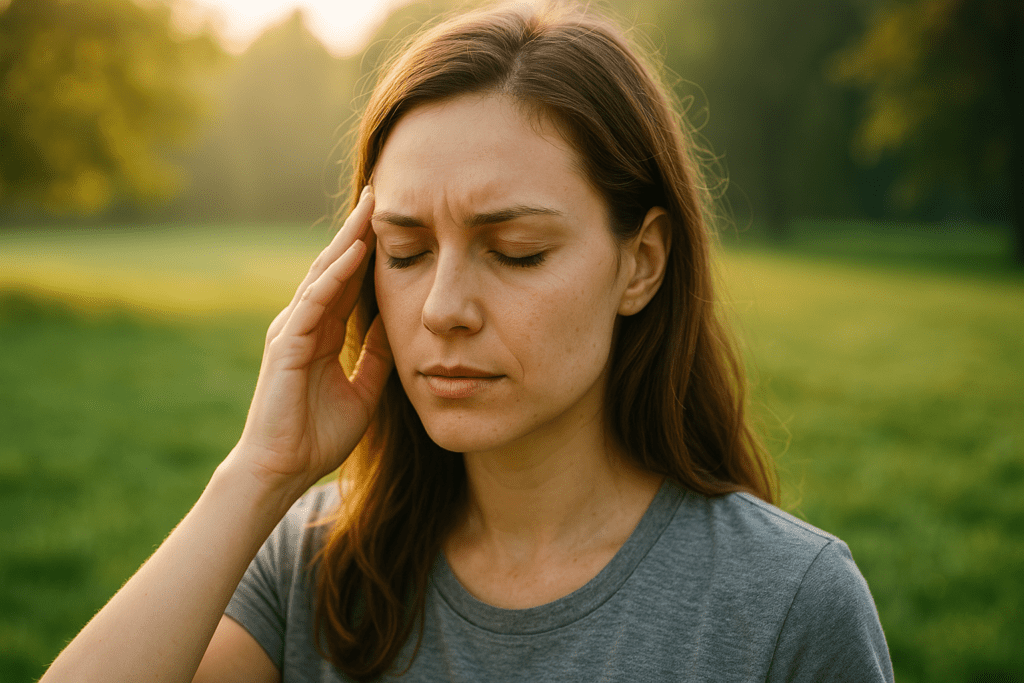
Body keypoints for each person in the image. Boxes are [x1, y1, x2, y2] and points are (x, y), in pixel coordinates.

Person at [41, 3, 894, 682]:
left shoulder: (787, 604)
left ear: (641, 263)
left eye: (515, 251)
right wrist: (255, 477)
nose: (443, 306)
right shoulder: (312, 562)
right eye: (406, 252)